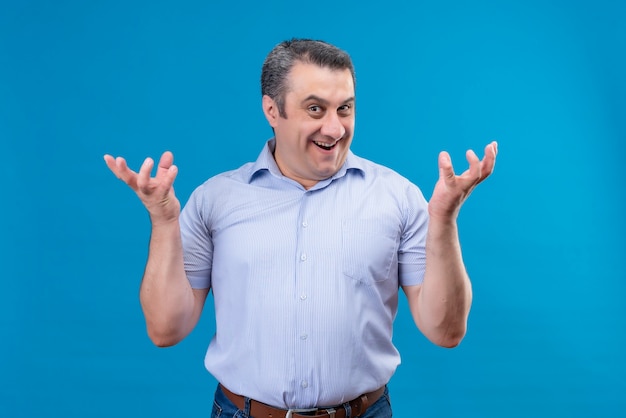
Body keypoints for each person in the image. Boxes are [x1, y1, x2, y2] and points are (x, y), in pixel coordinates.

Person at [104, 38, 497, 418]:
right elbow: (165, 329)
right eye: (315, 109)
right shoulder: (215, 200)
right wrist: (163, 219)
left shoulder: (397, 197)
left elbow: (445, 332)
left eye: (345, 108)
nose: (334, 128)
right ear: (272, 110)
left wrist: (444, 219)